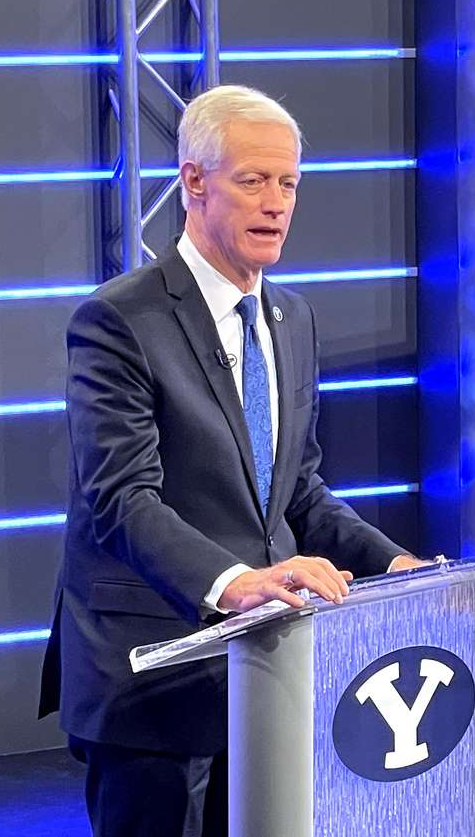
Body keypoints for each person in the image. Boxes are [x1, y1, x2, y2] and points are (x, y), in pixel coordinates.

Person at [38, 85, 424, 837]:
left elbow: (298, 493)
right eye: (253, 180)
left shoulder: (293, 318)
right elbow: (122, 499)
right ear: (193, 182)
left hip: (265, 672)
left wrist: (397, 565)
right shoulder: (118, 319)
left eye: (288, 183)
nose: (276, 202)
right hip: (150, 677)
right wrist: (238, 583)